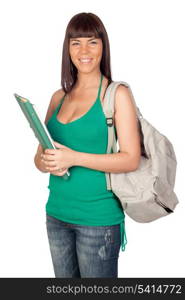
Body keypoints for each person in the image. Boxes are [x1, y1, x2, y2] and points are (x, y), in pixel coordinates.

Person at [34, 12, 141, 278]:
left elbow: (130, 159)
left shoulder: (116, 94)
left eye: (92, 42)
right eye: (76, 42)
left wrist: (73, 158)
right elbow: (39, 158)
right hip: (56, 215)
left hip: (98, 220)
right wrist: (47, 161)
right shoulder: (58, 97)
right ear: (67, 49)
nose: (84, 50)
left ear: (103, 47)